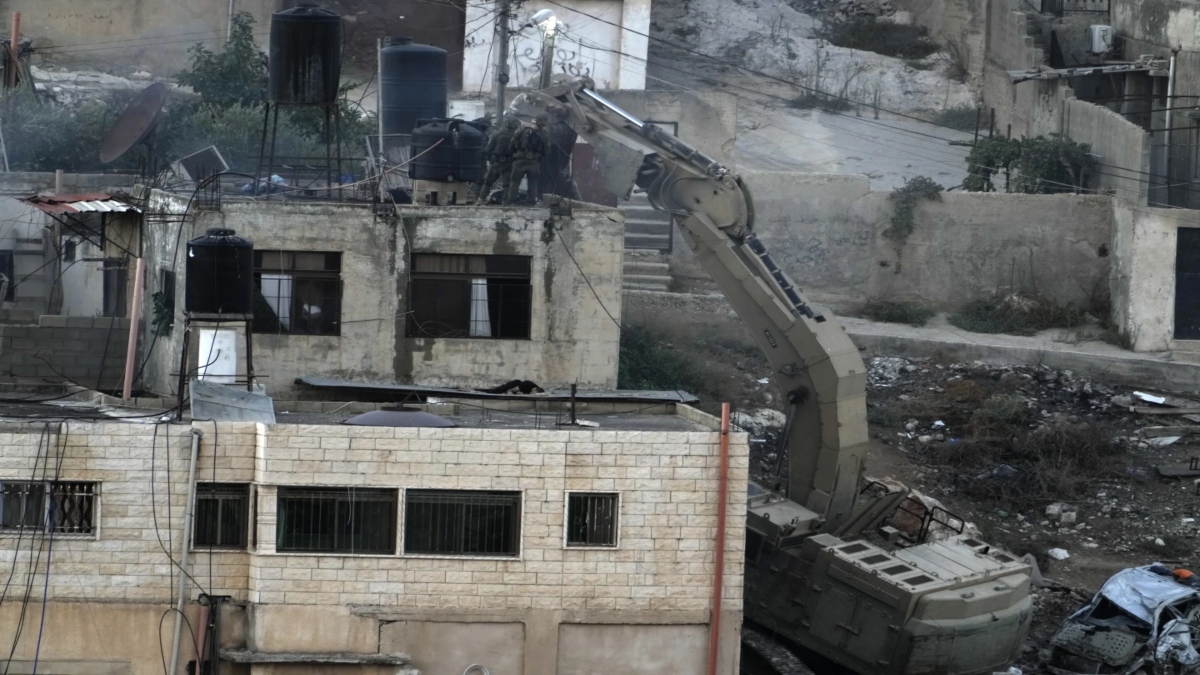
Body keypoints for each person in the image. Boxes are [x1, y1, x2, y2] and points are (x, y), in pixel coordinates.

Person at [504, 115, 551, 206]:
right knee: (533, 182)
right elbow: (547, 151)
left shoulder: (522, 130)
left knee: (515, 182)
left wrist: (514, 154)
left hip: (520, 160)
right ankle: (530, 202)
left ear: (533, 122)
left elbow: (512, 144)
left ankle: (511, 202)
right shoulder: (544, 134)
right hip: (534, 161)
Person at [475, 117, 522, 205]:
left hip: (496, 162)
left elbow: (488, 149)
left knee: (488, 182)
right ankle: (505, 202)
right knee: (507, 184)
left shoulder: (497, 134)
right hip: (510, 163)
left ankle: (480, 199)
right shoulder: (517, 136)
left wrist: (490, 159)